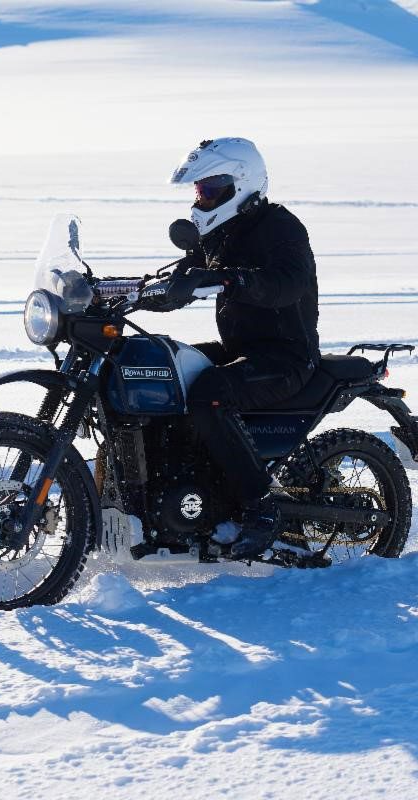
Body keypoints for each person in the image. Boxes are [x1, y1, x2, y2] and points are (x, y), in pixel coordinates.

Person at [162, 137, 321, 559]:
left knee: (210, 393)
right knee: (163, 367)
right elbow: (184, 274)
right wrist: (127, 291)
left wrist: (233, 280)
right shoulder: (219, 231)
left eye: (211, 188)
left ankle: (261, 507)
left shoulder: (281, 227)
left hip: (285, 356)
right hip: (240, 347)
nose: (203, 198)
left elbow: (288, 283)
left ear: (242, 183)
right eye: (199, 190)